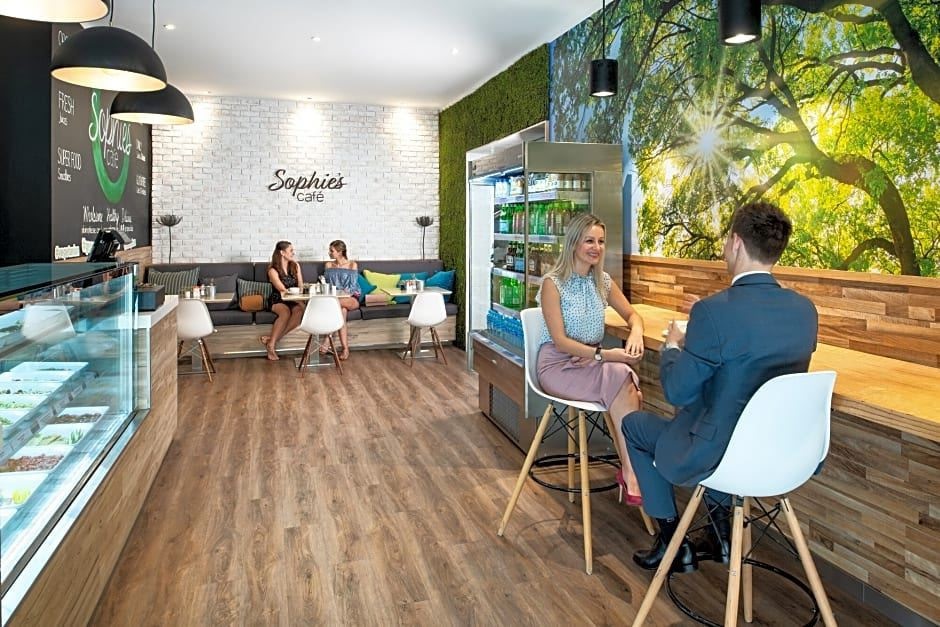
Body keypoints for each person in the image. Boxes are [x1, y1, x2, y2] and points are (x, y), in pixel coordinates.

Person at [623, 201, 818, 574]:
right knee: (721, 419)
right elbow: (750, 362)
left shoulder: (713, 312)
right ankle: (721, 536)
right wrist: (705, 328)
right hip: (782, 453)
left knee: (635, 426)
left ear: (736, 243)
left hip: (721, 455)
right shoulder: (804, 311)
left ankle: (671, 542)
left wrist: (673, 346)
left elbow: (677, 392)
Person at [537, 213, 646, 505]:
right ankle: (633, 472)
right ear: (574, 243)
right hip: (559, 365)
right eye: (589, 241)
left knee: (624, 380)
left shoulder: (603, 282)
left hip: (592, 363)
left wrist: (636, 332)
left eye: (600, 241)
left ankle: (631, 470)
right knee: (625, 380)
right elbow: (560, 341)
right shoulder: (552, 284)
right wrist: (604, 354)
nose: (596, 247)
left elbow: (632, 314)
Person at [261, 241, 305, 361]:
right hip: (278, 299)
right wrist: (297, 298)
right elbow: (281, 289)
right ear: (282, 253)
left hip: (293, 299)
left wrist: (299, 298)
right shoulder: (272, 270)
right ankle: (271, 347)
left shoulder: (295, 266)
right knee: (285, 312)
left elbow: (300, 285)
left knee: (300, 311)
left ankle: (273, 340)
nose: (293, 253)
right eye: (291, 250)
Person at [324, 239, 361, 361]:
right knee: (341, 311)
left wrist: (340, 295)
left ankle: (327, 338)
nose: (329, 253)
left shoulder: (352, 265)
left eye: (332, 251)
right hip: (336, 298)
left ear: (340, 252)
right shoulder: (329, 265)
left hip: (351, 298)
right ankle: (345, 349)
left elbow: (352, 287)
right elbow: (327, 285)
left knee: (336, 304)